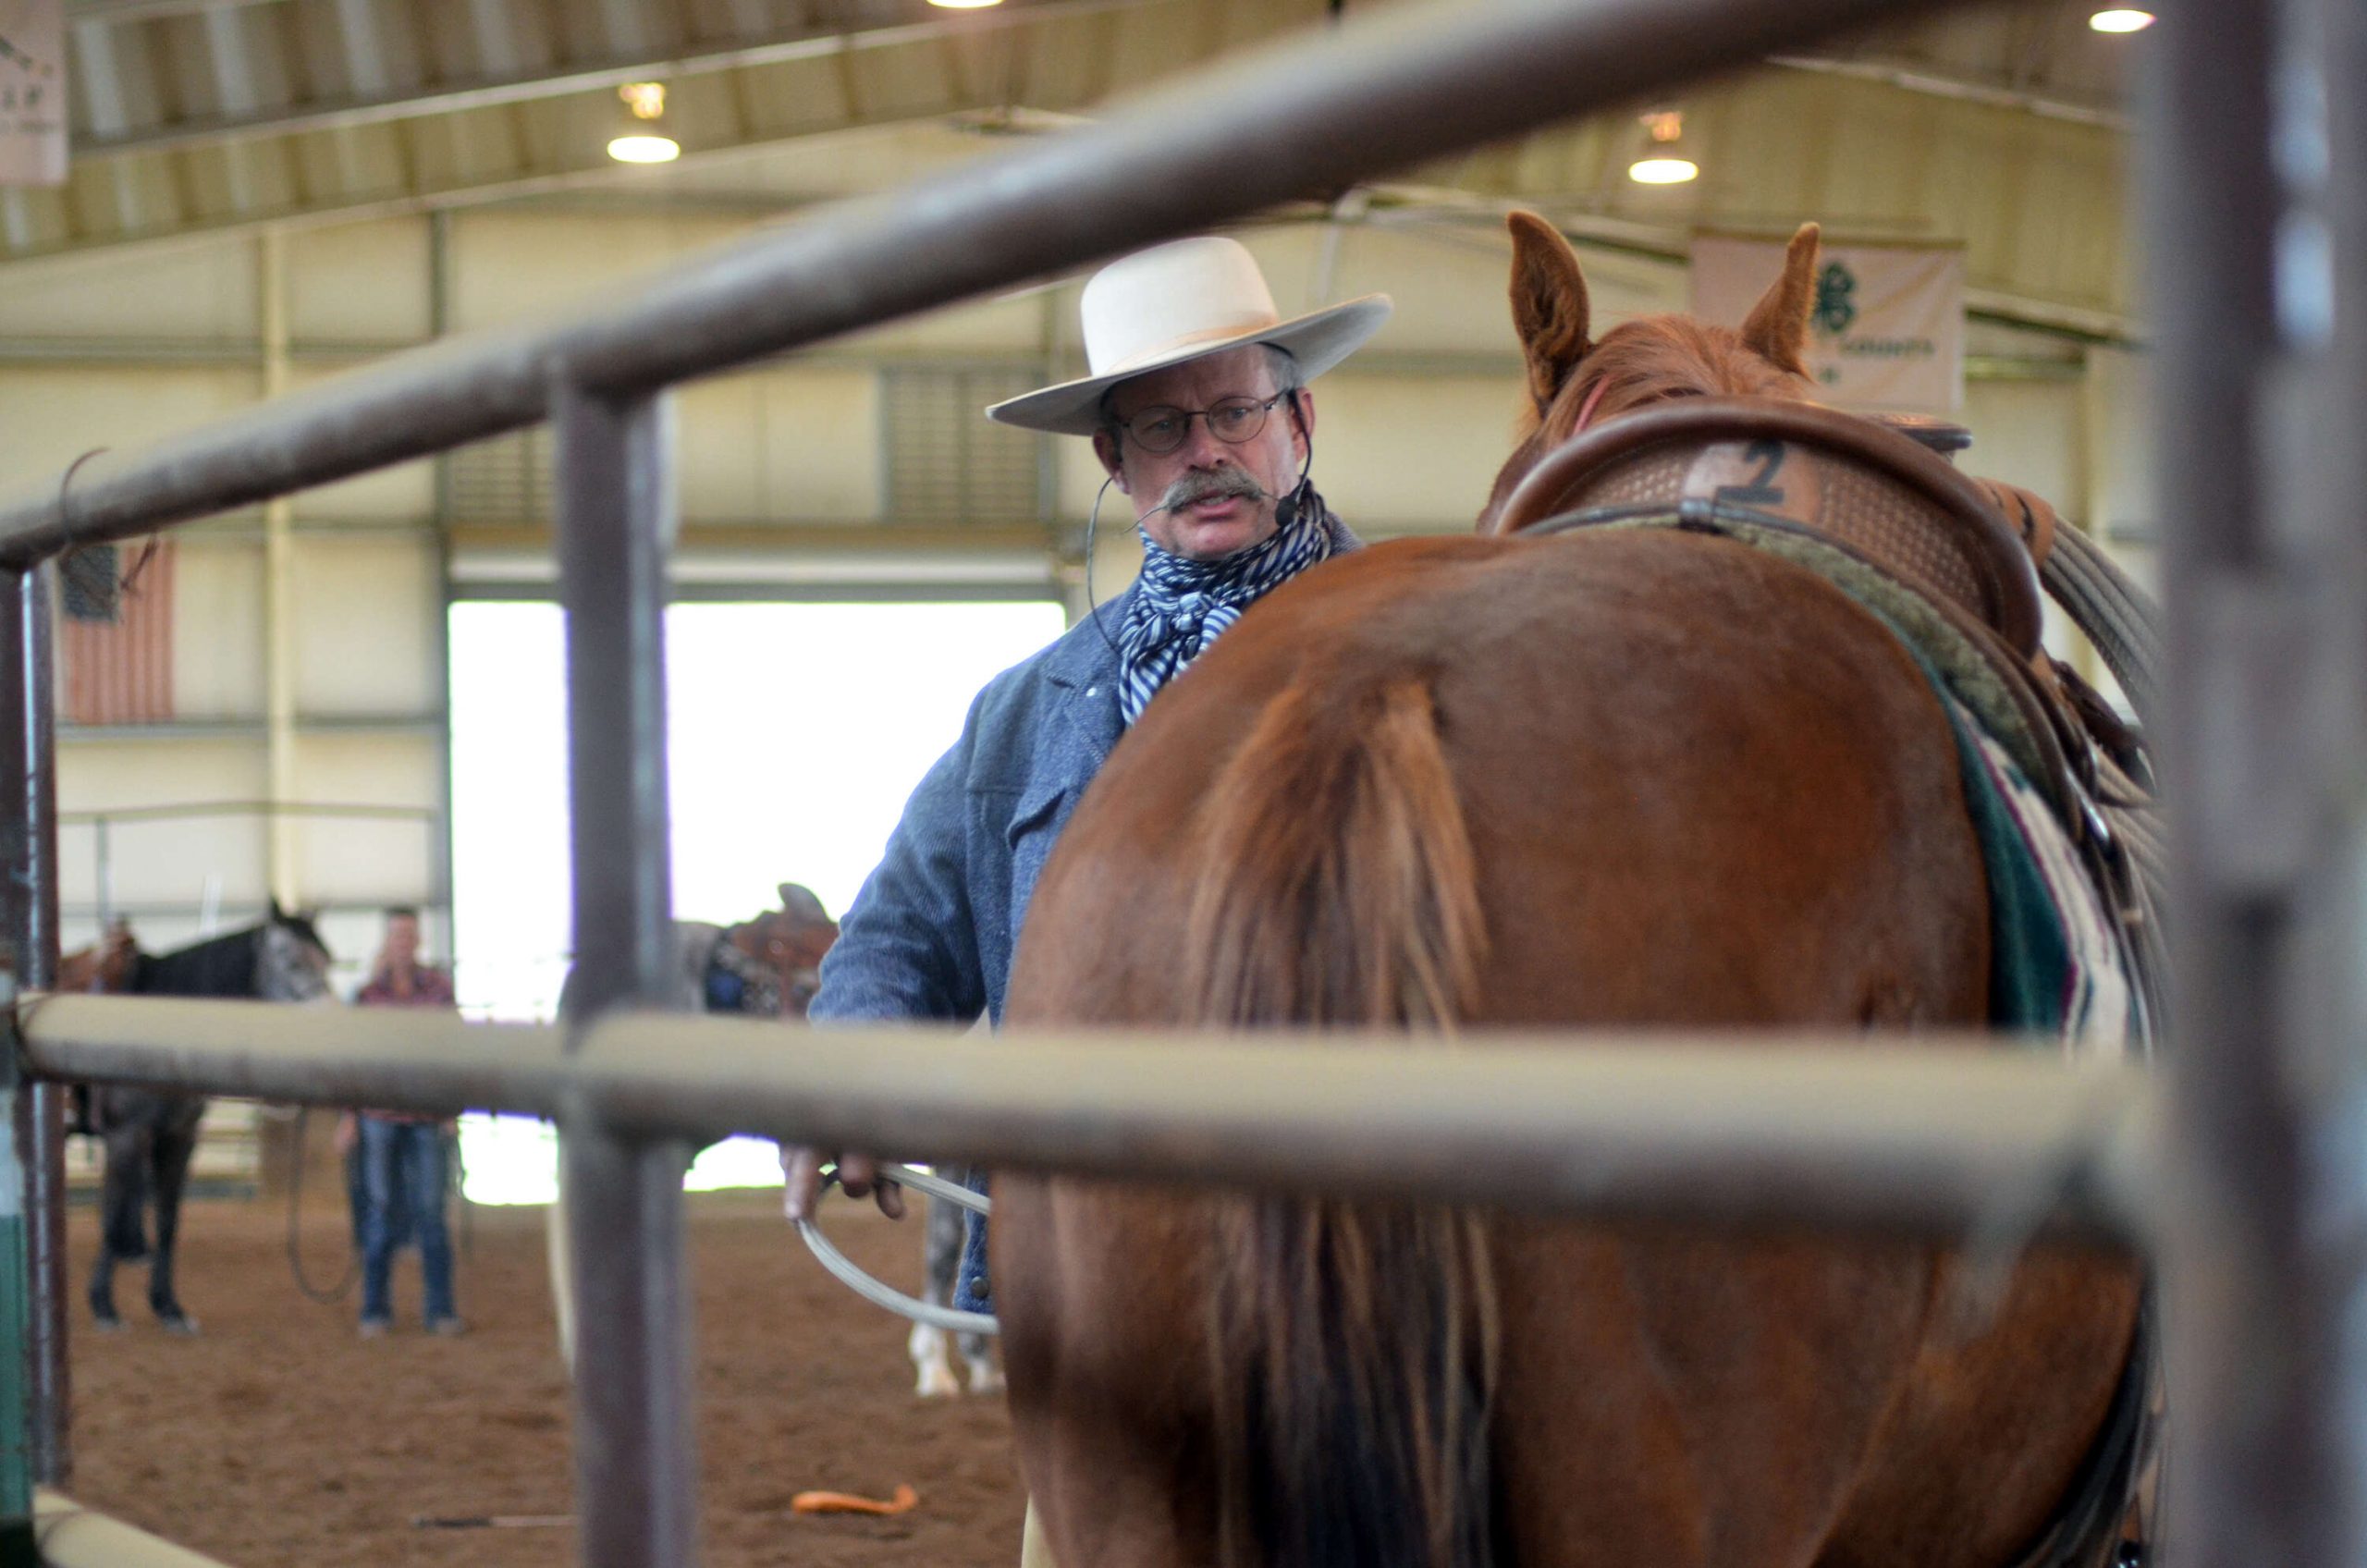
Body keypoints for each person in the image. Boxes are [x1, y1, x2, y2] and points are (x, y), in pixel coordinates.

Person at [782, 236, 1392, 1313]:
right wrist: (852, 1076)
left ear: (1299, 422)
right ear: (1117, 461)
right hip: (1106, 1269)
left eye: (1236, 413)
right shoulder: (1027, 714)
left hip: (1380, 1251)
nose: (1205, 450)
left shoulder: (1423, 646)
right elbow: (897, 939)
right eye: (1163, 426)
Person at [341, 906, 465, 1338]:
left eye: (409, 935)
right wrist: (349, 1118)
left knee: (431, 1212)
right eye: (397, 935)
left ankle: (440, 1309)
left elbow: (454, 1052)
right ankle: (374, 1308)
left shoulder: (439, 991)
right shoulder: (367, 995)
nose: (403, 942)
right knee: (379, 1212)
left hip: (428, 1114)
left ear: (418, 940)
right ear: (387, 940)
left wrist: (451, 1109)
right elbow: (352, 1061)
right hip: (378, 1115)